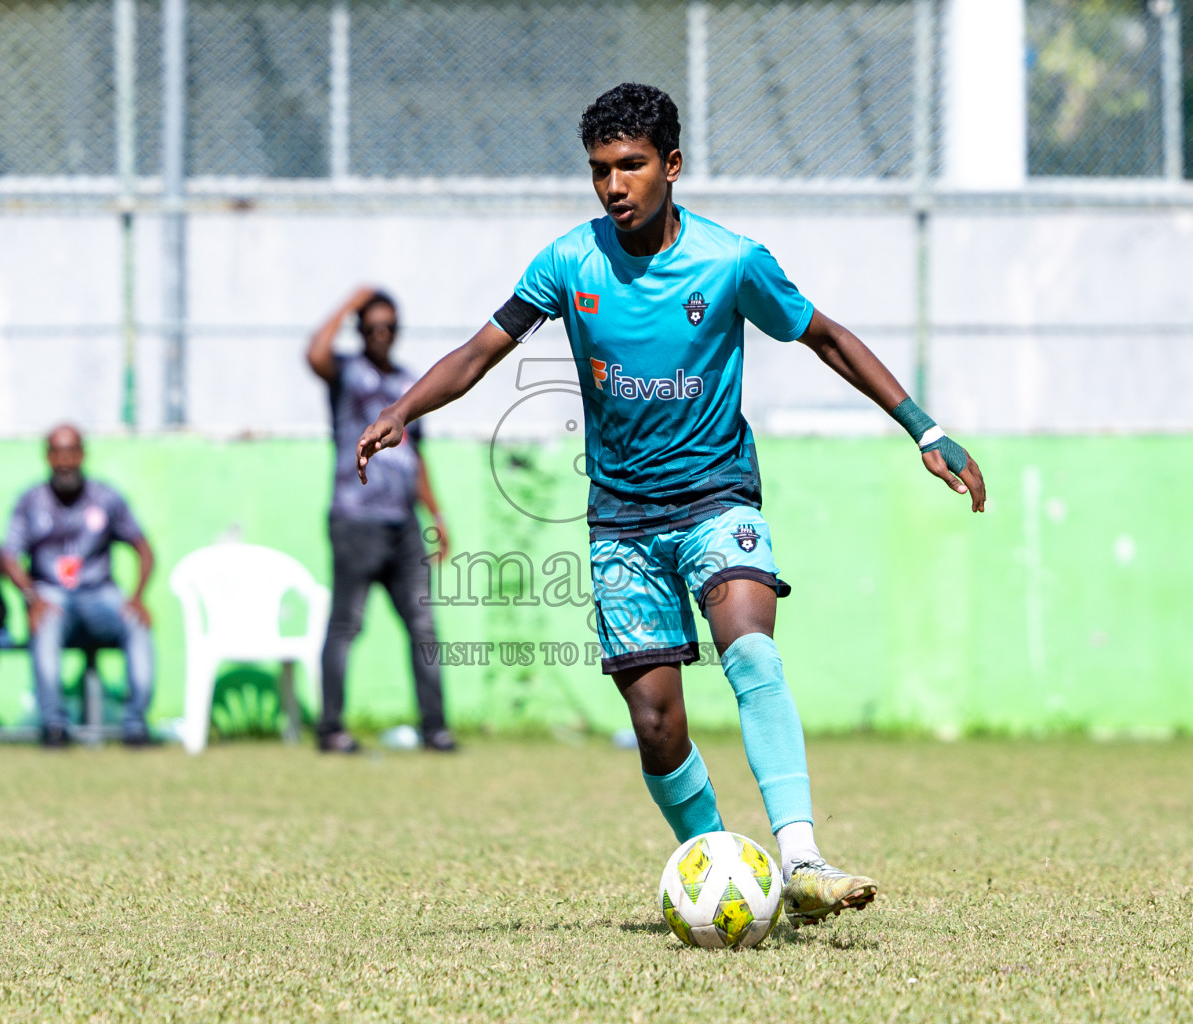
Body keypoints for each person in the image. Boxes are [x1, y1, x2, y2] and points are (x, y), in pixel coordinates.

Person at [355, 84, 987, 927]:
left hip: (718, 497)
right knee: (655, 723)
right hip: (621, 519)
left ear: (672, 166)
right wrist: (404, 409)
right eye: (599, 171)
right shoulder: (567, 263)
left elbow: (827, 336)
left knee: (751, 652)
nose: (614, 186)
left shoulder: (732, 262)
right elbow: (480, 350)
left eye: (631, 166)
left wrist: (924, 428)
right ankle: (729, 870)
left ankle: (799, 857)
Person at [306, 287, 455, 754]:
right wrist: (353, 301)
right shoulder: (347, 373)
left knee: (423, 625)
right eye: (371, 327)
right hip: (356, 520)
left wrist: (437, 514)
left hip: (404, 524)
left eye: (388, 326)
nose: (380, 334)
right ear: (361, 331)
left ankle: (436, 729)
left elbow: (417, 455)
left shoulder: (409, 384)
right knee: (347, 625)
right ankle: (331, 729)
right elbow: (314, 353)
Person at [0, 425, 156, 748]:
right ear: (47, 456)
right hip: (52, 594)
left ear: (83, 454)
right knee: (46, 619)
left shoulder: (106, 497)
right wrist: (32, 598)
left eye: (71, 451)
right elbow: (8, 558)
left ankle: (135, 724)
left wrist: (139, 596)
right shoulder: (31, 501)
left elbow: (144, 549)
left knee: (137, 623)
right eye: (57, 452)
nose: (65, 460)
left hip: (100, 594)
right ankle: (55, 725)